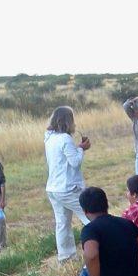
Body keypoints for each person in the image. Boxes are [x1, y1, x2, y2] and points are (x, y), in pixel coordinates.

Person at [47, 187, 138, 276]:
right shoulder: (126, 223)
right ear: (106, 205)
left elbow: (91, 256)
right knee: (87, 270)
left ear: (85, 210)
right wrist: (135, 268)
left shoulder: (90, 229)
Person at [44, 106, 91, 263]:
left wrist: (77, 148)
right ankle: (103, 247)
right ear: (68, 121)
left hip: (53, 187)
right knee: (90, 217)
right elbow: (75, 162)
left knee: (62, 223)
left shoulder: (49, 137)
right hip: (67, 188)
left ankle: (65, 257)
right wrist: (82, 149)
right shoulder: (65, 139)